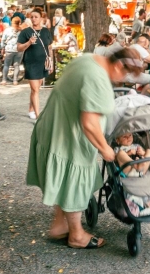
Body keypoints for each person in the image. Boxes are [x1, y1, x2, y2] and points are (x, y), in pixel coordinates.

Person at [26, 47, 142, 247]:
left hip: (54, 127)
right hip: (67, 136)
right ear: (118, 65)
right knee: (75, 182)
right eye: (126, 74)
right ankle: (76, 235)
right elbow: (89, 123)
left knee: (65, 179)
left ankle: (59, 225)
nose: (124, 79)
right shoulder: (98, 78)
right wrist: (105, 148)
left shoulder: (89, 59)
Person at [17, 8, 54, 121]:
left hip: (43, 63)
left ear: (41, 18)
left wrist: (51, 62)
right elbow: (19, 48)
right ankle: (38, 116)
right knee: (35, 90)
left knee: (36, 88)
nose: (33, 19)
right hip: (31, 63)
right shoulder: (26, 32)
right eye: (31, 17)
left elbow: (49, 47)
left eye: (36, 17)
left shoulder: (46, 31)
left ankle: (31, 110)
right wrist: (29, 42)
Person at [1, 16, 23, 85]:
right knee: (16, 65)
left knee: (6, 65)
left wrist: (2, 48)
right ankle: (15, 80)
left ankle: (4, 80)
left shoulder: (7, 30)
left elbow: (3, 40)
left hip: (9, 49)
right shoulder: (22, 31)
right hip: (19, 49)